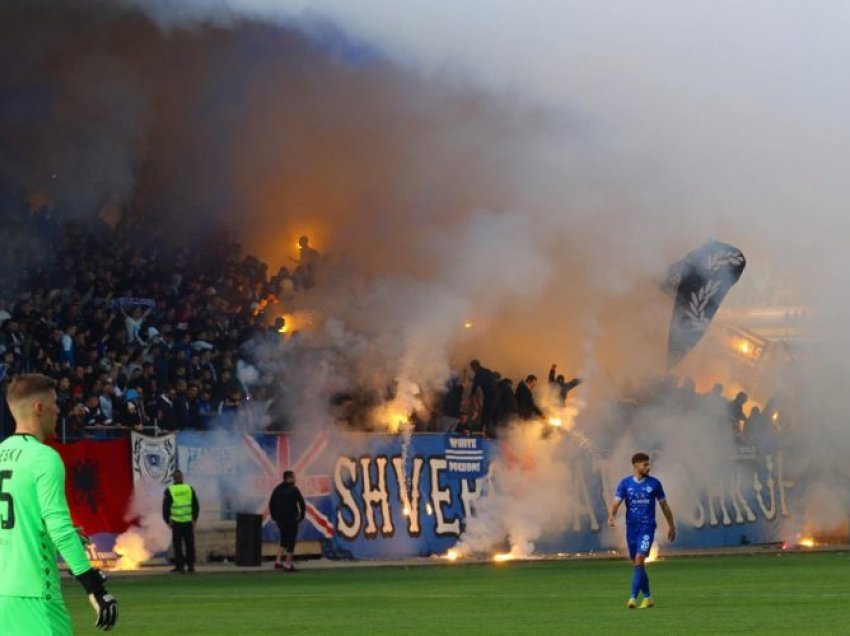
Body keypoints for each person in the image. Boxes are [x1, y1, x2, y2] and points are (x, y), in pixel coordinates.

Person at [0, 374, 118, 634]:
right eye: (54, 403)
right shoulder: (44, 457)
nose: (58, 410)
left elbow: (13, 523)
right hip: (36, 595)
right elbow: (60, 528)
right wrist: (95, 589)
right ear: (38, 408)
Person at [608, 452, 676, 609]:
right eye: (645, 464)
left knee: (639, 559)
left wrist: (671, 525)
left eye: (648, 464)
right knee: (637, 564)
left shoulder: (654, 484)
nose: (648, 467)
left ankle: (632, 598)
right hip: (632, 528)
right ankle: (648, 597)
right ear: (636, 465)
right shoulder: (625, 484)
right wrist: (612, 515)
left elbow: (664, 506)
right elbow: (616, 502)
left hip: (647, 527)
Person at [162, 469, 199, 574]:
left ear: (173, 478)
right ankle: (190, 566)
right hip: (188, 521)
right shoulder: (189, 488)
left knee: (178, 545)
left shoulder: (170, 490)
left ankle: (180, 566)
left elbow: (165, 507)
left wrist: (167, 520)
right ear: (182, 477)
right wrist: (194, 519)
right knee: (190, 544)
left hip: (176, 522)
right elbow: (195, 505)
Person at [268, 470, 305, 572]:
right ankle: (288, 564)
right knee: (291, 541)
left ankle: (278, 561)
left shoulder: (277, 489)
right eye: (294, 477)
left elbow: (271, 503)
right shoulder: (294, 490)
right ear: (289, 478)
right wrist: (301, 516)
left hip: (280, 520)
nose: (295, 479)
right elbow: (302, 503)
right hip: (292, 519)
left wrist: (274, 516)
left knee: (283, 539)